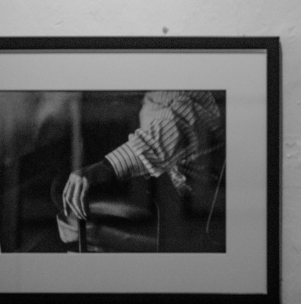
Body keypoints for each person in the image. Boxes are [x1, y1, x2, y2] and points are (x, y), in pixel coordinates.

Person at [55, 91, 224, 247]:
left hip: (208, 215)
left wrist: (102, 169)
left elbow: (172, 130)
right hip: (185, 201)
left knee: (75, 213)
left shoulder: (175, 90)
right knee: (65, 199)